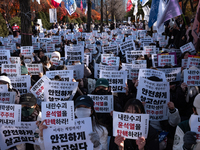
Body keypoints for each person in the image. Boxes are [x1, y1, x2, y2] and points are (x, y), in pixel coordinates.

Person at [38, 95, 108, 150]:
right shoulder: (64, 128)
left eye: (86, 107)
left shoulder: (101, 130)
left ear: (91, 111)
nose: (82, 110)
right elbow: (47, 148)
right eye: (79, 107)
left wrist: (97, 145)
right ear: (74, 110)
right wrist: (42, 136)